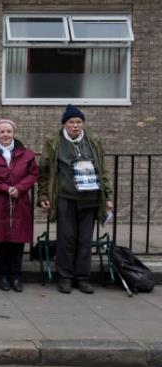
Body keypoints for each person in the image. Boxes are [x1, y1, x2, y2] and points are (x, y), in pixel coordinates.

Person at [38, 105, 113, 294]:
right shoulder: (54, 141)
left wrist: (108, 196)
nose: (75, 126)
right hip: (65, 197)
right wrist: (43, 196)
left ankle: (82, 278)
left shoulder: (93, 141)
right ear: (64, 124)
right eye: (71, 122)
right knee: (66, 239)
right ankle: (64, 277)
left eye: (79, 122)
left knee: (85, 240)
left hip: (90, 198)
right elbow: (44, 172)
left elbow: (102, 169)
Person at [0, 119, 38, 292]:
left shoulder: (26, 155)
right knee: (0, 238)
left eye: (8, 132)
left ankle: (16, 275)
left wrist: (20, 187)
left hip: (20, 200)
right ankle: (2, 274)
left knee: (18, 240)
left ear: (14, 133)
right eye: (2, 132)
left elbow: (33, 174)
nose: (5, 135)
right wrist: (5, 188)